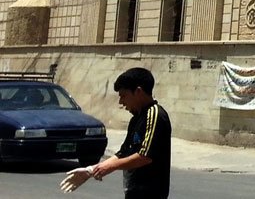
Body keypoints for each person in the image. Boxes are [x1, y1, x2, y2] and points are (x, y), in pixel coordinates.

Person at [61, 68, 172, 197]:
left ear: (138, 92)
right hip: (134, 192)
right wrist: (91, 170)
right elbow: (124, 152)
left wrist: (110, 167)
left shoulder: (154, 114)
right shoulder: (136, 119)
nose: (121, 102)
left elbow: (145, 156)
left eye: (123, 96)